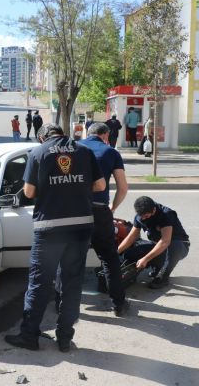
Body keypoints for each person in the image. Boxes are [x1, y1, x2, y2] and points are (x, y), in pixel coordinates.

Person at [5, 123, 105, 352]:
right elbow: (99, 185)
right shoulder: (84, 151)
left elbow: (29, 192)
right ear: (62, 133)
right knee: (72, 284)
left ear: (42, 138)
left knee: (39, 284)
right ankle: (64, 339)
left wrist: (50, 188)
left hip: (49, 230)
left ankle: (29, 336)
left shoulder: (38, 153)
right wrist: (77, 187)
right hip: (80, 227)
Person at [78, 123, 130, 316]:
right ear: (105, 135)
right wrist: (112, 208)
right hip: (100, 212)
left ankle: (61, 304)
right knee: (109, 258)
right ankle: (118, 304)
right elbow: (123, 188)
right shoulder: (111, 152)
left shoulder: (73, 148)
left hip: (75, 212)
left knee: (70, 258)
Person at [117, 196, 190, 289]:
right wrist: (116, 252)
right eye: (141, 216)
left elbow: (165, 241)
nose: (143, 218)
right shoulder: (139, 217)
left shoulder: (166, 214)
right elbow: (131, 237)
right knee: (129, 254)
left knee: (175, 246)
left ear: (154, 210)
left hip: (178, 246)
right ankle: (158, 265)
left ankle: (163, 277)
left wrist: (146, 259)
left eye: (146, 216)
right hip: (158, 245)